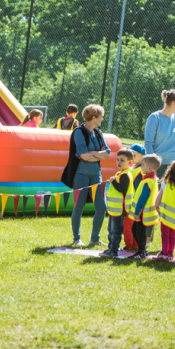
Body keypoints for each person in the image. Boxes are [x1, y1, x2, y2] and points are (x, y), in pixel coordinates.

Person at [68, 104, 110, 247]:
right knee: (78, 206)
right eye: (101, 117)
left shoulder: (98, 132)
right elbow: (83, 156)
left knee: (101, 206)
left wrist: (92, 154)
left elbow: (107, 153)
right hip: (81, 174)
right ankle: (76, 239)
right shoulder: (79, 132)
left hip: (96, 175)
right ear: (93, 118)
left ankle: (95, 239)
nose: (102, 119)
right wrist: (98, 155)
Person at [144, 89, 175, 178]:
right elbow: (148, 143)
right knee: (157, 191)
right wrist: (152, 165)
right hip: (158, 164)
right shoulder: (154, 117)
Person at [101, 148, 135, 258]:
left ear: (130, 163)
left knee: (115, 231)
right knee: (110, 230)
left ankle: (114, 250)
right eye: (117, 159)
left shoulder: (125, 175)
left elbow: (122, 189)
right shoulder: (120, 173)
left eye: (122, 160)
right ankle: (110, 248)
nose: (119, 162)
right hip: (113, 209)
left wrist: (113, 181)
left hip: (120, 210)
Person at [128, 154, 161, 258]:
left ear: (149, 168)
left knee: (139, 231)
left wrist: (137, 211)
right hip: (143, 212)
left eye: (142, 165)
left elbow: (143, 198)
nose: (141, 166)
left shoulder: (148, 181)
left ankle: (141, 251)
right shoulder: (151, 179)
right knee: (135, 229)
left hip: (142, 212)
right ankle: (142, 250)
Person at [123, 143, 146, 251]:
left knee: (128, 225)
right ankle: (134, 245)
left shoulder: (141, 171)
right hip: (131, 202)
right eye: (131, 154)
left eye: (135, 155)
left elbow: (137, 188)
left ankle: (130, 245)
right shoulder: (133, 168)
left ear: (143, 157)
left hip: (135, 203)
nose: (132, 157)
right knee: (132, 225)